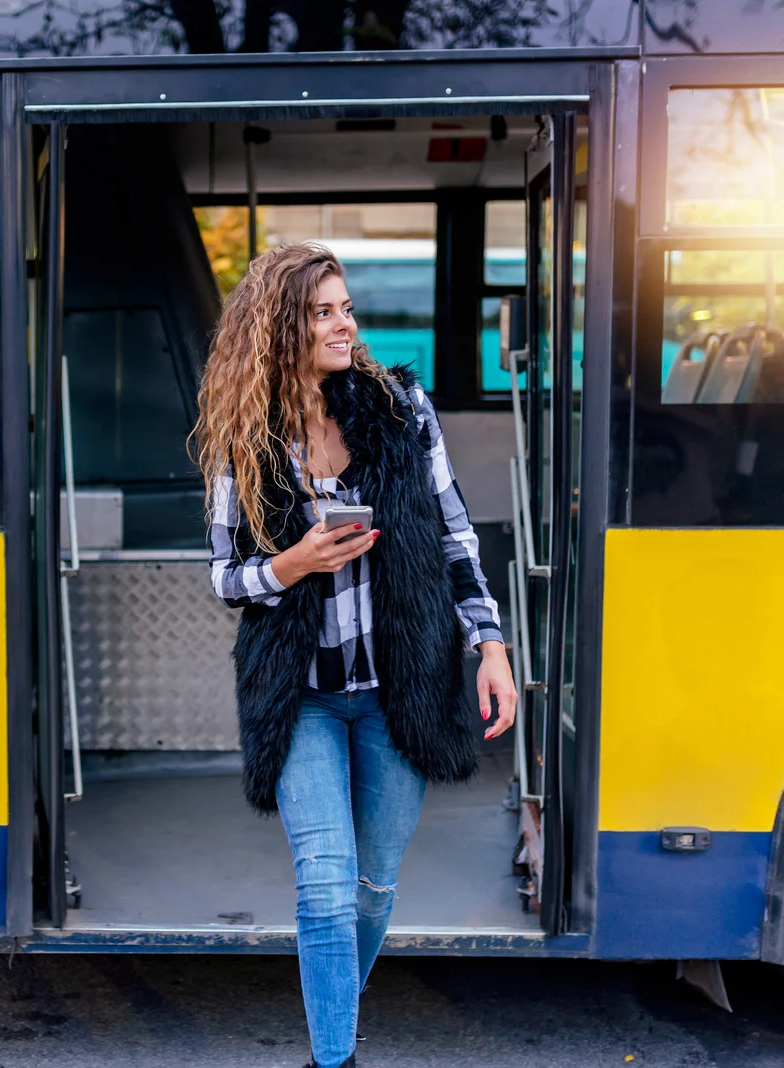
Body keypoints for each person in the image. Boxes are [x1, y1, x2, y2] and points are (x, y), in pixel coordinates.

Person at [194, 243, 518, 1068]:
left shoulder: (399, 408)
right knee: (327, 888)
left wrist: (489, 642)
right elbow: (228, 579)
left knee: (372, 889)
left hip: (396, 686)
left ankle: (335, 995)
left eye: (347, 308)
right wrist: (292, 564)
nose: (348, 325)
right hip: (297, 694)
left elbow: (453, 536)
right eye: (325, 312)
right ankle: (333, 1058)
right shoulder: (248, 434)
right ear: (280, 328)